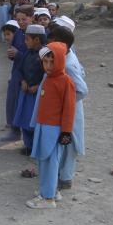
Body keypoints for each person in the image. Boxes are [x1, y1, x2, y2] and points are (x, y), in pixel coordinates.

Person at [27, 42, 76, 209]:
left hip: (54, 129)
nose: (48, 65)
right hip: (43, 127)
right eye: (45, 61)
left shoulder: (65, 81)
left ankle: (47, 199)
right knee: (44, 161)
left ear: (61, 61)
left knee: (50, 162)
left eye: (52, 61)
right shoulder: (48, 78)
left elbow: (69, 109)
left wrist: (66, 132)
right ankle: (51, 190)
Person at [37, 26, 87, 190]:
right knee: (62, 145)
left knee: (69, 145)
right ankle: (59, 175)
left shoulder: (68, 65)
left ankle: (65, 178)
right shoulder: (62, 58)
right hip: (63, 111)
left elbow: (82, 90)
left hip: (69, 112)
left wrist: (64, 104)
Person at [12, 24, 46, 155]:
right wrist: (23, 81)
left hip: (38, 95)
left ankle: (37, 147)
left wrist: (39, 86)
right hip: (26, 93)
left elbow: (47, 75)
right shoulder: (26, 53)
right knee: (23, 119)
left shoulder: (45, 56)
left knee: (36, 122)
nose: (25, 42)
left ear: (37, 40)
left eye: (27, 39)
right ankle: (29, 146)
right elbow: (19, 69)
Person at [1, 5, 33, 141]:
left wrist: (18, 54)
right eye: (18, 19)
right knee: (13, 101)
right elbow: (15, 51)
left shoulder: (36, 34)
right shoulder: (19, 33)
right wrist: (12, 55)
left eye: (24, 19)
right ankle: (14, 131)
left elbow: (35, 56)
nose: (20, 22)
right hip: (17, 73)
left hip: (30, 75)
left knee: (27, 107)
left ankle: (29, 140)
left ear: (32, 18)